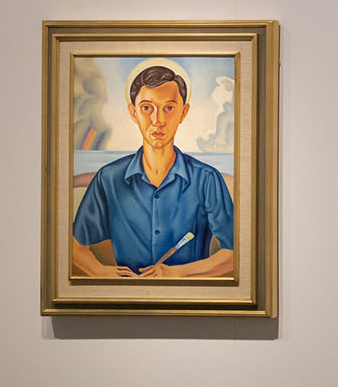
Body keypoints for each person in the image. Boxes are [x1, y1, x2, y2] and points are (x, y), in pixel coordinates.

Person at [71, 65, 235, 278]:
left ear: (183, 113)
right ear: (133, 112)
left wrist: (174, 273)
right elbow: (74, 246)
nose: (158, 120)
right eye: (147, 108)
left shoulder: (207, 179)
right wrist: (100, 272)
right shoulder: (108, 179)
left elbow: (233, 253)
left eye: (168, 108)